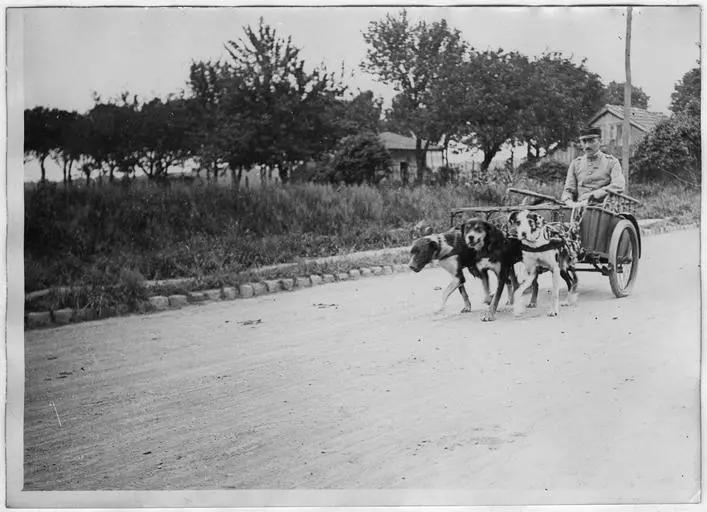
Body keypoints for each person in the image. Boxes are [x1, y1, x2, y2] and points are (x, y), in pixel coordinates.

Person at [561, 127, 625, 205]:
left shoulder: (612, 162)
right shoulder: (576, 163)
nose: (587, 145)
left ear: (600, 141)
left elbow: (618, 185)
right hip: (579, 207)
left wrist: (592, 195)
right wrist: (569, 202)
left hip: (603, 209)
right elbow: (568, 190)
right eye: (584, 141)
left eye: (591, 141)